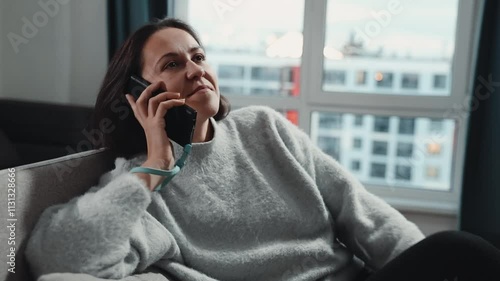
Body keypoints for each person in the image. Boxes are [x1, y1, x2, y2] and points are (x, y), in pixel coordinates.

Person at [25, 18, 500, 281]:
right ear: (137, 95)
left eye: (198, 56)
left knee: (462, 252)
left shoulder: (265, 128)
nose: (195, 70)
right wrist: (152, 169)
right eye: (172, 64)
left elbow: (365, 215)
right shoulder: (137, 187)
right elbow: (56, 260)